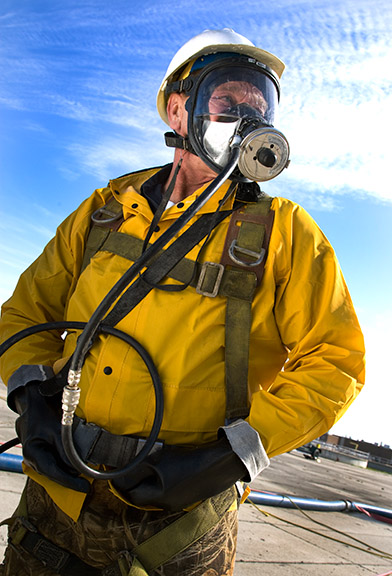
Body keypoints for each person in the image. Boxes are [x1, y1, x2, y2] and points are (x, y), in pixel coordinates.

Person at [0, 28, 365, 576]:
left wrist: (231, 456)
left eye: (259, 106)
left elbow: (335, 362)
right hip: (60, 494)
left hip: (180, 522)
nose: (248, 119)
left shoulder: (286, 233)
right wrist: (30, 396)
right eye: (229, 102)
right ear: (179, 109)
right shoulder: (106, 209)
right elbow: (27, 313)